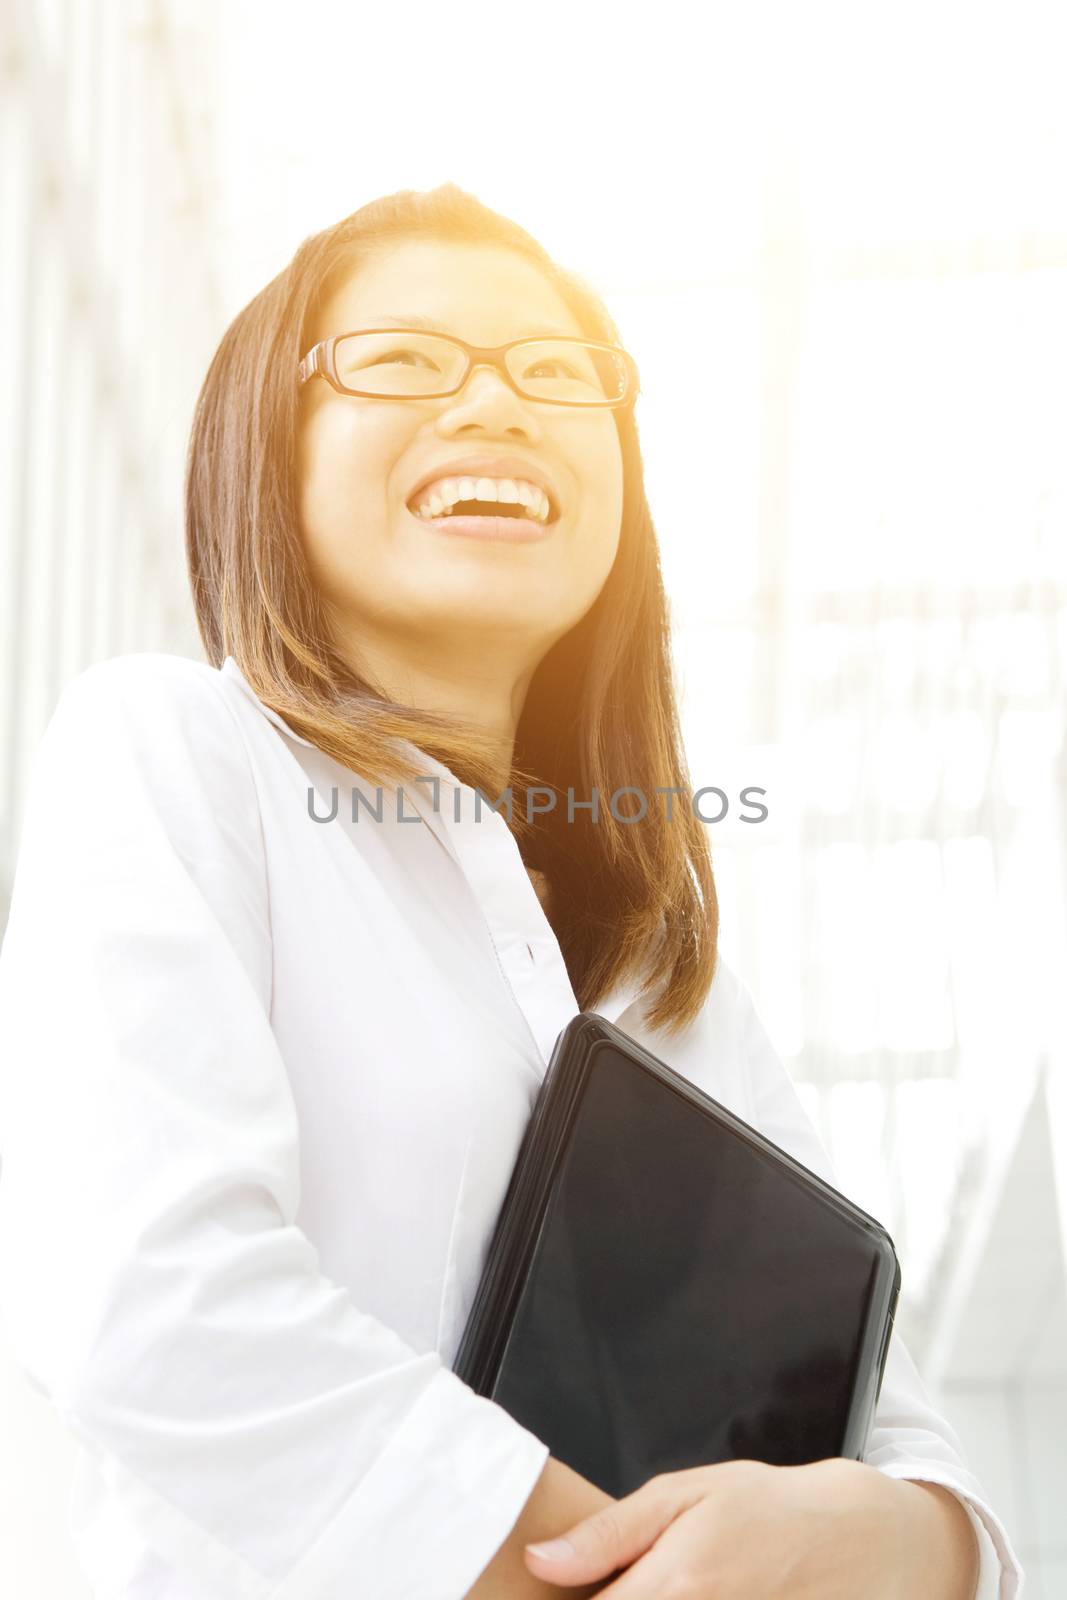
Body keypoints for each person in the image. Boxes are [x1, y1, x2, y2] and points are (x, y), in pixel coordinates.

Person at [0, 183, 1022, 1599]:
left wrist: (913, 1541)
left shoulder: (668, 971)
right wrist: (609, 1574)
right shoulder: (177, 755)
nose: (496, 405)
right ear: (265, 447)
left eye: (557, 374)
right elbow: (152, 1303)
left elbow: (887, 1427)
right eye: (405, 359)